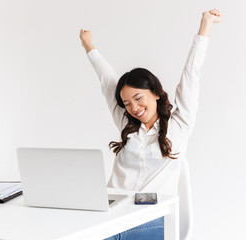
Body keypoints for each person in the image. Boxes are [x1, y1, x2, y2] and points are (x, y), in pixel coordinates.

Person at [80, 8, 222, 240]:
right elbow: (106, 78)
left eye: (138, 98)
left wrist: (205, 26)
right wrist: (88, 44)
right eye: (126, 103)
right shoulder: (126, 124)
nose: (133, 108)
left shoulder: (180, 125)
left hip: (151, 217)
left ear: (156, 92)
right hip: (111, 212)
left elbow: (191, 74)